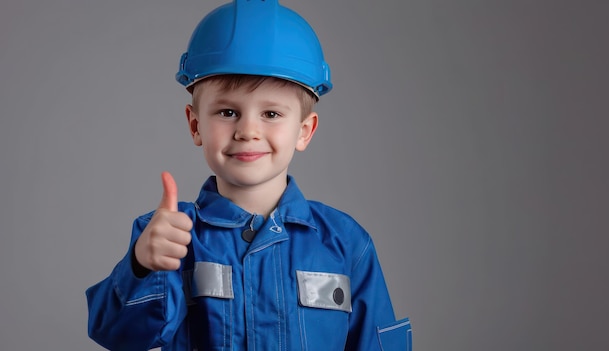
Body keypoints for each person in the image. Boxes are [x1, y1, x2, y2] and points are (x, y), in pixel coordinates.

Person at [86, 0, 412, 350]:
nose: (248, 130)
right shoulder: (170, 236)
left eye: (271, 114)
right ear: (196, 125)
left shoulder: (346, 243)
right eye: (228, 111)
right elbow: (116, 334)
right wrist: (141, 265)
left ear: (304, 130)